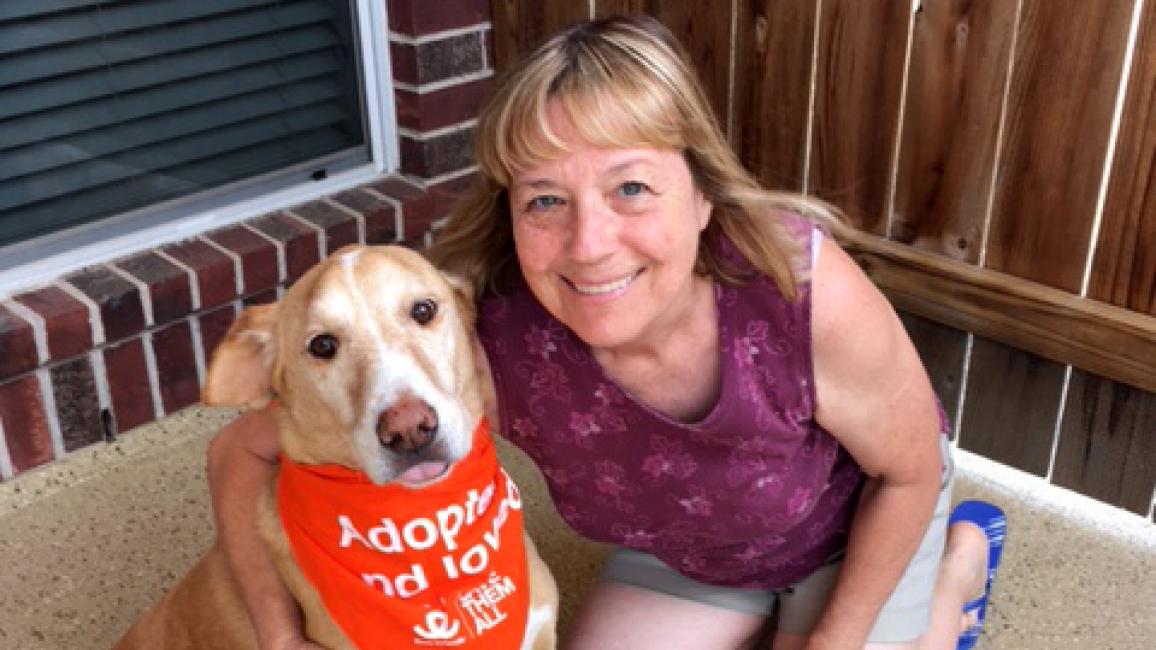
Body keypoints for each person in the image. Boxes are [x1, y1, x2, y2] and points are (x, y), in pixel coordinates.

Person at [207, 15, 1002, 650]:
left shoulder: (800, 292)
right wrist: (280, 633)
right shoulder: (475, 340)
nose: (589, 245)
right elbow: (238, 448)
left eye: (630, 187)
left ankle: (958, 568)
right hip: (690, 550)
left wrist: (837, 637)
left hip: (848, 527)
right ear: (511, 217)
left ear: (702, 196)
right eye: (546, 200)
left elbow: (905, 472)